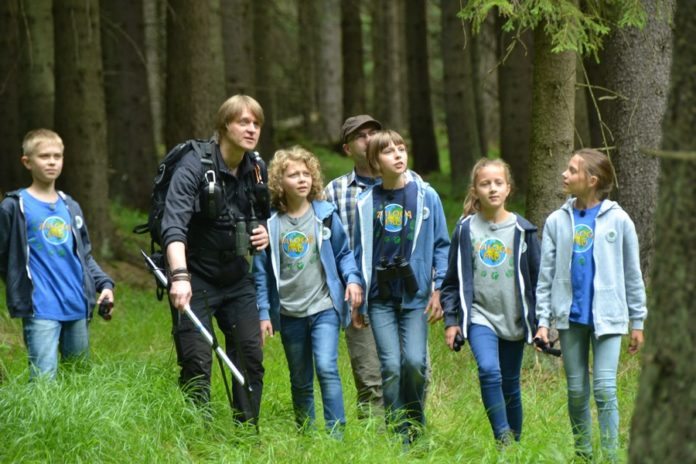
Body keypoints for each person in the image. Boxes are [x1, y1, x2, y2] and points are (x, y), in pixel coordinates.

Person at [162, 95, 270, 424]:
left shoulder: (257, 168)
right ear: (224, 126)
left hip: (236, 276)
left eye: (256, 124)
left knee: (250, 355)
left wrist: (263, 233)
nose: (251, 130)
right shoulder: (194, 166)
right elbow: (173, 225)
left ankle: (246, 433)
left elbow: (261, 215)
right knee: (196, 361)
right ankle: (197, 433)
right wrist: (180, 277)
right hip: (195, 276)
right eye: (243, 122)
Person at [534, 149, 647, 462]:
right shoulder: (557, 221)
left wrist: (637, 321)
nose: (564, 174)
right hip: (570, 318)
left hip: (608, 317)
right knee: (576, 391)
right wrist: (543, 322)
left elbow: (632, 273)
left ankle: (610, 457)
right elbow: (545, 276)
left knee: (605, 389)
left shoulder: (619, 220)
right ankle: (583, 454)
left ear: (592, 180)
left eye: (572, 170)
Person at [253, 146, 363, 436]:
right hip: (289, 313)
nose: (302, 179)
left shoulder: (324, 215)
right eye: (293, 175)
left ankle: (336, 436)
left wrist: (352, 279)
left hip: (324, 307)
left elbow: (343, 253)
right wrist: (263, 312)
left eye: (306, 174)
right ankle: (307, 435)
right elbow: (260, 274)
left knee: (326, 367)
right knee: (300, 379)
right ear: (279, 182)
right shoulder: (270, 224)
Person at [353, 130, 449, 443]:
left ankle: (415, 425)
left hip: (415, 295)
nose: (397, 155)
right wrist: (357, 293)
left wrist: (438, 289)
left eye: (401, 148)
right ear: (375, 162)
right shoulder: (365, 202)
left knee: (415, 363)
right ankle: (398, 434)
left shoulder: (426, 196)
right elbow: (358, 252)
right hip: (380, 297)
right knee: (392, 367)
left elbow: (441, 246)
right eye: (388, 151)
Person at [324, 115, 421, 418]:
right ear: (347, 148)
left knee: (414, 368)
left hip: (406, 292)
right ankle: (376, 439)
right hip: (361, 296)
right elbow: (331, 248)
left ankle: (411, 432)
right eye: (360, 136)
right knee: (371, 377)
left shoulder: (412, 183)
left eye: (373, 133)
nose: (368, 140)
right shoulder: (335, 191)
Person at [0, 129, 115, 380]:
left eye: (57, 156)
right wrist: (18, 286)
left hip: (76, 304)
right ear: (27, 162)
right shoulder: (14, 206)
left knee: (79, 379)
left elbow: (84, 256)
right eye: (44, 156)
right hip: (40, 307)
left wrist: (105, 285)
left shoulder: (70, 205)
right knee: (43, 380)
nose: (52, 162)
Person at [441, 158, 540, 446]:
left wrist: (542, 322)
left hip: (513, 318)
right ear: (475, 190)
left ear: (508, 188)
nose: (492, 188)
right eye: (485, 184)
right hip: (479, 316)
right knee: (488, 370)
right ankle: (503, 438)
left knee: (510, 383)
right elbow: (451, 281)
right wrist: (451, 321)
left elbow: (538, 281)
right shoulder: (465, 230)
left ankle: (514, 448)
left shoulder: (524, 231)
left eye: (498, 183)